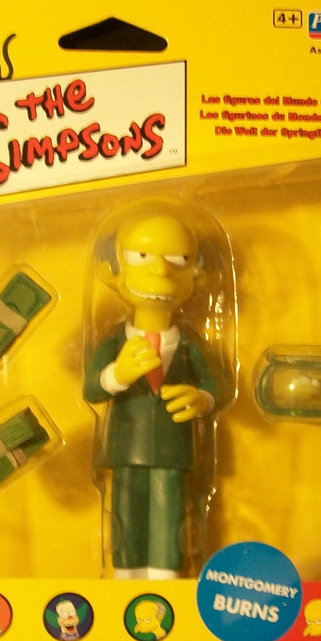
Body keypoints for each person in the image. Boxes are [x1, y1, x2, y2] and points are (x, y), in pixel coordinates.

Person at [84, 208, 218, 579]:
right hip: (126, 446)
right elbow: (91, 387)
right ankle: (126, 572)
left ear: (197, 273)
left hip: (174, 449)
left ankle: (164, 573)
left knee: (169, 509)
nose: (160, 270)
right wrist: (117, 375)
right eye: (141, 257)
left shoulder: (189, 344)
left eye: (179, 260)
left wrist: (202, 400)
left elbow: (214, 386)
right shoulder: (115, 342)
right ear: (112, 269)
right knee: (126, 508)